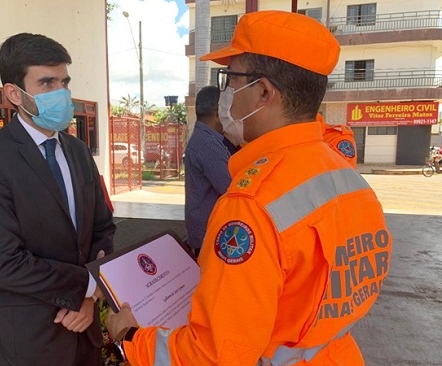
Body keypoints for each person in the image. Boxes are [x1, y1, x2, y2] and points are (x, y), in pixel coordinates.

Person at [106, 11, 392, 365]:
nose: (226, 93)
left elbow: (213, 357)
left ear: (262, 92)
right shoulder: (345, 174)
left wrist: (129, 336)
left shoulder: (252, 204)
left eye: (230, 79)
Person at [0, 33, 116, 366]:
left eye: (64, 82)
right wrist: (86, 286)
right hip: (28, 338)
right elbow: (6, 264)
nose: (61, 94)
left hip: (85, 331)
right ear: (14, 93)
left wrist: (92, 296)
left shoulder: (77, 150)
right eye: (46, 83)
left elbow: (103, 229)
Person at [184, 86, 232, 256]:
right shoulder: (207, 144)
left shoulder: (210, 139)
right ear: (217, 111)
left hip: (208, 232)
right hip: (209, 236)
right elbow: (231, 188)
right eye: (229, 107)